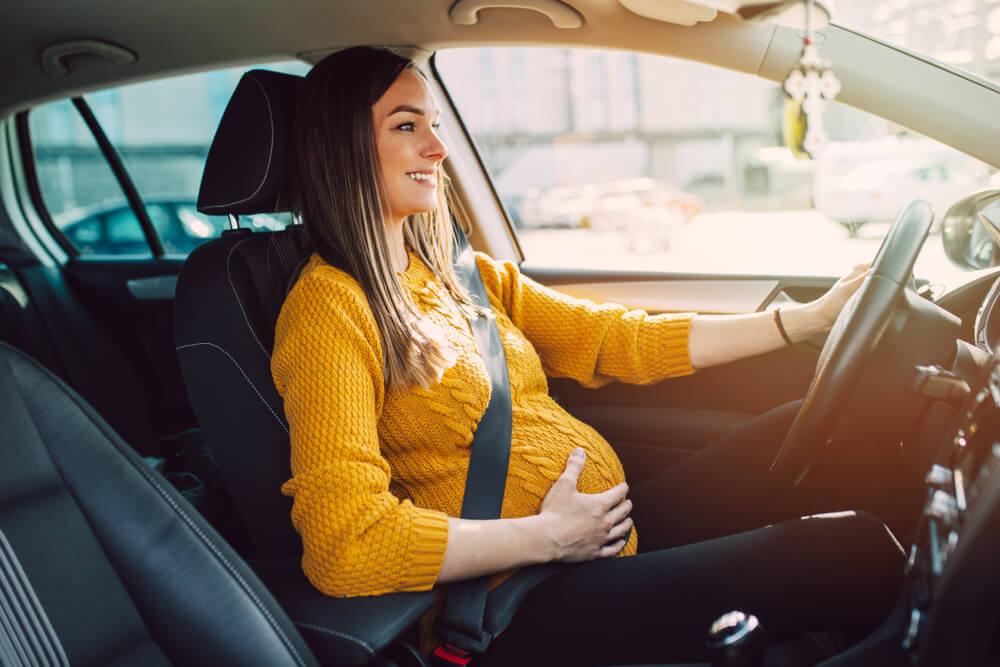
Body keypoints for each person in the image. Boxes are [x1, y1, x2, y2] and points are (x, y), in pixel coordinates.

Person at [271, 46, 903, 666]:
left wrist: (803, 322)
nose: (437, 148)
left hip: (598, 536)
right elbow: (345, 545)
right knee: (850, 551)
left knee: (827, 429)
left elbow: (618, 340)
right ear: (342, 146)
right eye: (407, 126)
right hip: (519, 600)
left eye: (435, 125)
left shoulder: (460, 274)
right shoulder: (329, 308)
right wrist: (546, 537)